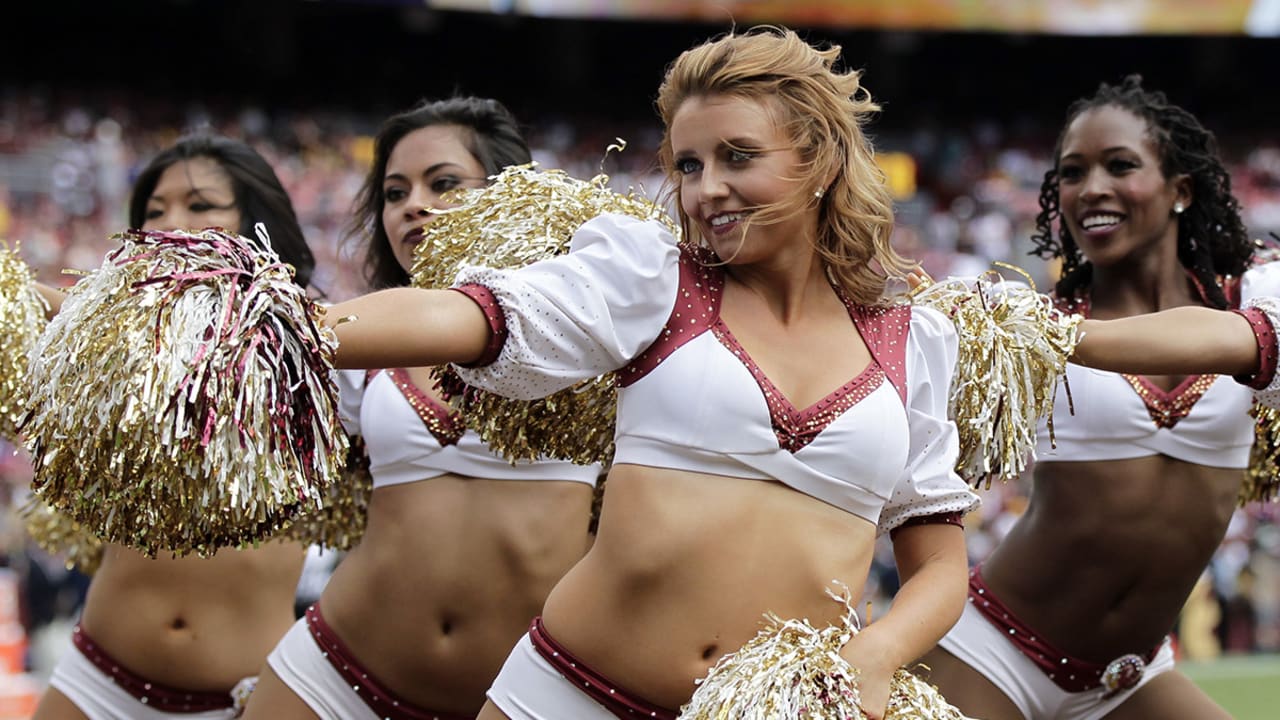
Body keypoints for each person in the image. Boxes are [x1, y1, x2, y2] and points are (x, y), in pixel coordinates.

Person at [316, 30, 1277, 720]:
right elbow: (471, 317)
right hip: (566, 694)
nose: (706, 189)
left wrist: (877, 654)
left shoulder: (916, 336)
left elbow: (940, 563)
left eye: (739, 157)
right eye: (687, 164)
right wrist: (303, 331)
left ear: (818, 162)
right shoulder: (650, 275)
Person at [919, 76, 1273, 720]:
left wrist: (1057, 337)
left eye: (1120, 165)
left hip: (1130, 679)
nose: (1092, 189)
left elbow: (1229, 342)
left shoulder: (1256, 298)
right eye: (1072, 173)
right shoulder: (1023, 328)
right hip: (995, 651)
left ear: (1181, 190)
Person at [241, 97, 600, 720]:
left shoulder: (589, 329)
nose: (412, 205)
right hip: (334, 672)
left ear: (512, 192)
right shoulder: (360, 341)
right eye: (393, 192)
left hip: (530, 696)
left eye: (444, 184)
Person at [33, 135, 315, 720]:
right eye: (153, 212)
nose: (170, 224)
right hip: (96, 680)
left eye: (200, 204)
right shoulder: (104, 341)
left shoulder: (323, 347)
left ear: (257, 220)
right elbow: (35, 311)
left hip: (254, 695)